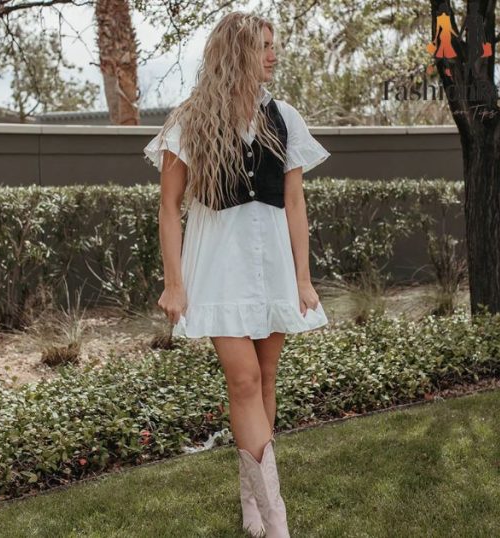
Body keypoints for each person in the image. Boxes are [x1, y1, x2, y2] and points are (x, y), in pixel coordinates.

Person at [145, 12, 329, 538]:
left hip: (270, 263)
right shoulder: (191, 118)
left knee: (265, 380)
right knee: (243, 379)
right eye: (264, 46)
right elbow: (169, 206)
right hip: (220, 266)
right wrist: (175, 282)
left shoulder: (285, 117)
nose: (273, 54)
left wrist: (303, 277)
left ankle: (252, 502)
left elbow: (295, 202)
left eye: (275, 45)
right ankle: (277, 521)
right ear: (237, 50)